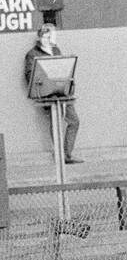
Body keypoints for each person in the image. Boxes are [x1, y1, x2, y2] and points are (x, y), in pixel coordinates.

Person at [23, 24, 82, 163]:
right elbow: (29, 75)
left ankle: (67, 154)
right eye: (44, 36)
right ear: (39, 37)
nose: (47, 39)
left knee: (74, 121)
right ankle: (59, 155)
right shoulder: (32, 54)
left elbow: (63, 67)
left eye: (49, 36)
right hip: (47, 93)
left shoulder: (56, 50)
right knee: (56, 122)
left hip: (61, 91)